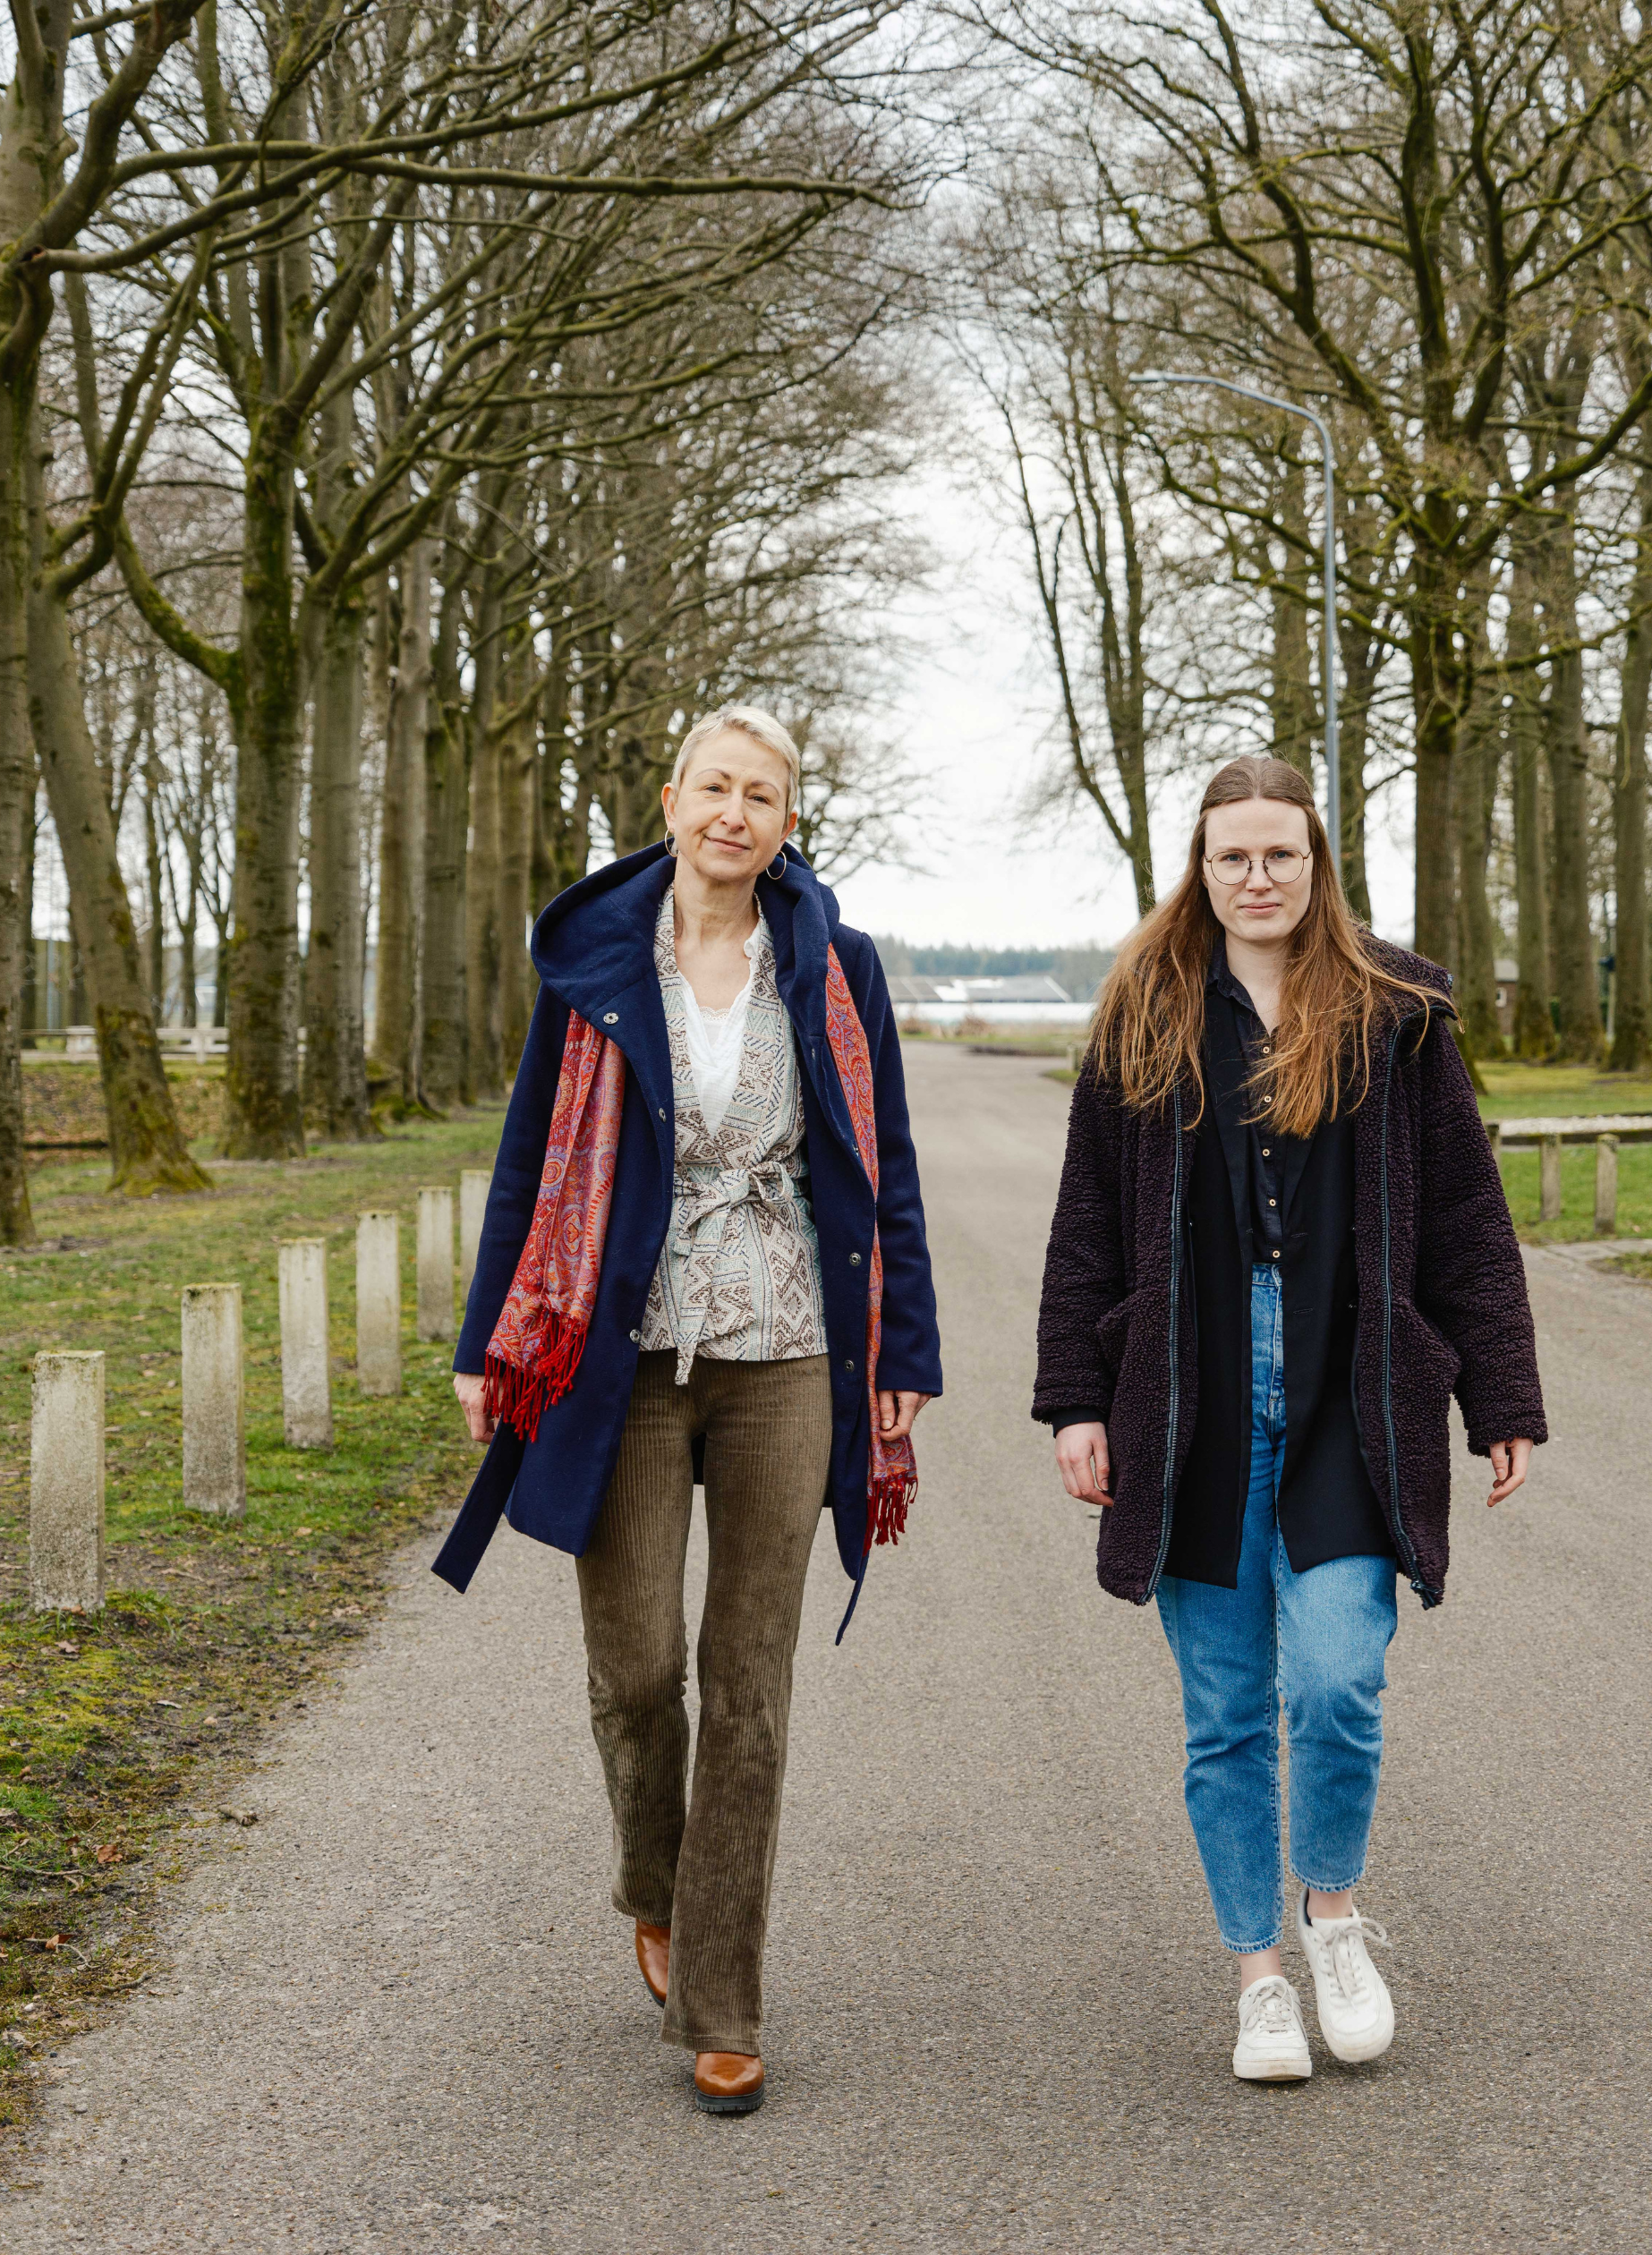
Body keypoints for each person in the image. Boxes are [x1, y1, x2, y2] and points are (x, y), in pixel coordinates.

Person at [435, 703, 941, 2116]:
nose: (735, 811)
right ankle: (654, 1883)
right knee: (639, 1669)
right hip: (627, 1346)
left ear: (788, 819)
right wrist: (490, 1340)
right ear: (671, 798)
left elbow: (882, 1162)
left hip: (787, 1344)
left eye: (762, 793)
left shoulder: (833, 968)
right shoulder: (594, 966)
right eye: (714, 785)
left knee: (753, 1686)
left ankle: (724, 2000)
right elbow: (534, 1159)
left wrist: (907, 1349)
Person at [1033, 753, 1544, 2083]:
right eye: (1229, 857)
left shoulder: (1399, 1013)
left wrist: (1501, 1392)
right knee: (1224, 1713)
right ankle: (1258, 1976)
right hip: (1191, 1409)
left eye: (1279, 856)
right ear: (1197, 870)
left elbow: (1469, 1225)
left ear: (1317, 866)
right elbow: (1088, 1224)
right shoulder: (1141, 1016)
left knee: (1336, 1682)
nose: (1255, 879)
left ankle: (1333, 1918)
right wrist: (1077, 1405)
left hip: (1346, 1405)